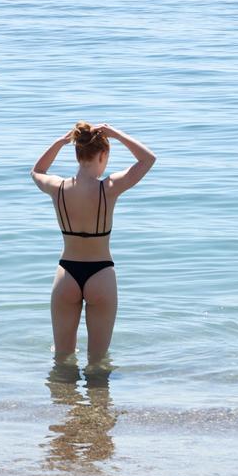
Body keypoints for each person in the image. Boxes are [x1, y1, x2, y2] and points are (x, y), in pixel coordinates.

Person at [31, 122, 155, 365]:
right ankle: (99, 402)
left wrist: (59, 143)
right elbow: (148, 159)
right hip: (101, 274)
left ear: (77, 155)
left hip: (66, 274)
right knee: (98, 362)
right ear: (103, 155)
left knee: (62, 358)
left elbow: (36, 171)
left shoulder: (58, 188)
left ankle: (65, 401)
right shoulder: (108, 188)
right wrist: (116, 133)